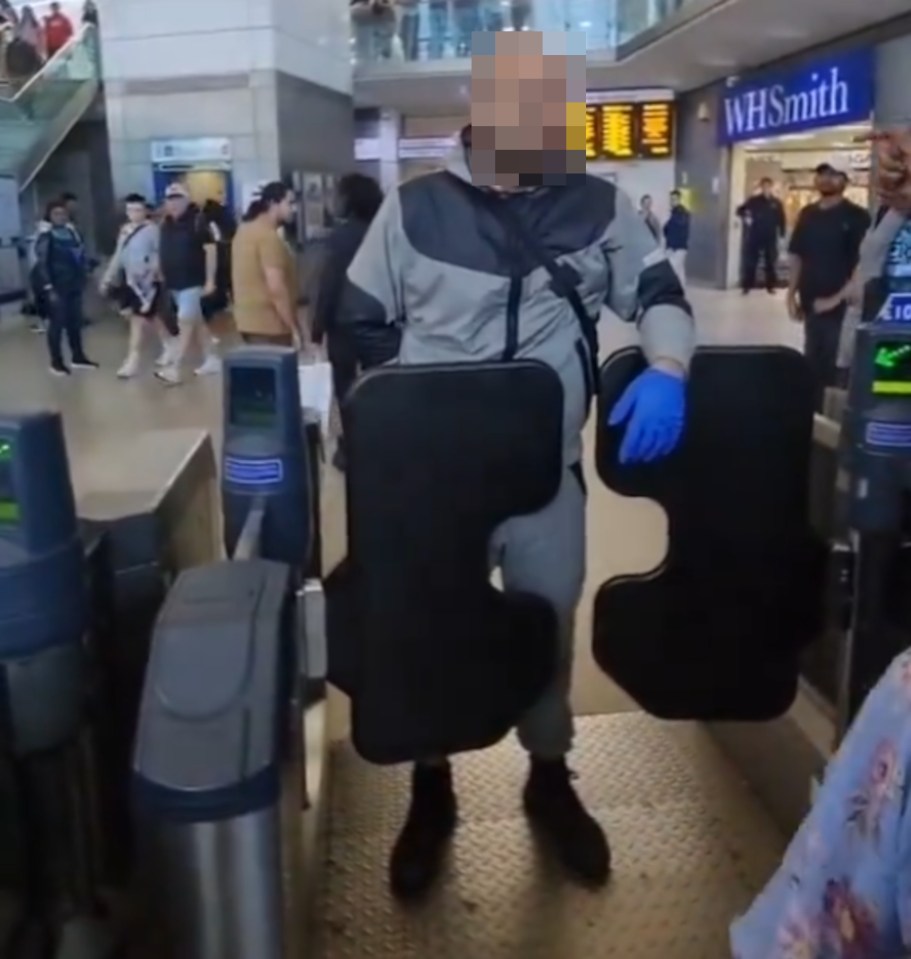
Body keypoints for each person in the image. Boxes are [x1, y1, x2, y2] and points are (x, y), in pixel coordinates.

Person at [342, 29, 695, 901]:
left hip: (545, 474)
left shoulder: (595, 204)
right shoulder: (413, 209)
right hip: (434, 481)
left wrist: (667, 369)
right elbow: (357, 321)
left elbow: (655, 294)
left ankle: (548, 774)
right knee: (433, 623)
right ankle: (431, 784)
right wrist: (393, 416)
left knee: (546, 620)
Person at [312, 172, 384, 472]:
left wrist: (316, 329)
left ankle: (352, 447)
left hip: (343, 326)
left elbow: (328, 285)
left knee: (345, 388)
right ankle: (380, 441)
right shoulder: (383, 230)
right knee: (378, 385)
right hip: (381, 323)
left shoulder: (341, 237)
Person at [787, 162, 871, 411]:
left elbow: (862, 265)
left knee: (836, 366)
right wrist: (791, 294)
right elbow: (797, 255)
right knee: (812, 361)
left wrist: (834, 299)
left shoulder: (857, 217)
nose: (826, 179)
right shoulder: (808, 214)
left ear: (845, 180)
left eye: (834, 175)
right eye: (822, 174)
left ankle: (832, 420)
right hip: (812, 304)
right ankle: (812, 417)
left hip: (841, 308)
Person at [99, 193, 179, 379]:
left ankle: (132, 360)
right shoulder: (125, 231)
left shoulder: (152, 230)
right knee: (151, 317)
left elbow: (159, 254)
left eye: (137, 210)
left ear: (145, 211)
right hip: (131, 282)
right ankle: (169, 344)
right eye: (130, 210)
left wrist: (153, 271)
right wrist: (108, 277)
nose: (133, 213)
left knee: (139, 320)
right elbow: (119, 255)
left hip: (149, 284)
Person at [155, 182, 221, 384]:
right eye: (170, 200)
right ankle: (212, 358)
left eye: (178, 199)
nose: (174, 204)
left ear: (186, 200)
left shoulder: (199, 221)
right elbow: (162, 248)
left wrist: (210, 280)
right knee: (196, 321)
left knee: (185, 320)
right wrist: (160, 269)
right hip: (174, 282)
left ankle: (175, 367)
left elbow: (211, 251)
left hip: (193, 281)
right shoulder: (165, 224)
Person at [231, 181, 302, 348]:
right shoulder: (268, 238)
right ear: (272, 204)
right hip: (271, 325)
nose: (294, 209)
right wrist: (293, 327)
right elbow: (276, 287)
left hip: (247, 322)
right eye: (289, 203)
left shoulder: (243, 232)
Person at [33, 199, 97, 376]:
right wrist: (48, 287)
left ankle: (78, 357)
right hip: (57, 286)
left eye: (63, 213)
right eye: (56, 214)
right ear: (50, 216)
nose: (60, 217)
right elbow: (42, 264)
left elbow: (80, 255)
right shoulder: (47, 237)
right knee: (57, 324)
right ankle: (56, 362)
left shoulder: (73, 233)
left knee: (74, 323)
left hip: (75, 284)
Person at [738, 177, 786, 295]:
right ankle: (747, 286)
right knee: (751, 261)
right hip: (755, 234)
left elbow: (781, 219)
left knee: (770, 261)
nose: (766, 189)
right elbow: (740, 210)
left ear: (771, 187)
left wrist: (782, 234)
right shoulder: (754, 201)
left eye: (768, 186)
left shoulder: (776, 203)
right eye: (764, 186)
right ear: (761, 187)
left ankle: (770, 286)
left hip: (770, 235)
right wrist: (747, 218)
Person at [663, 189, 690, 287]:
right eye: (671, 199)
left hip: (677, 247)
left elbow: (673, 229)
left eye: (674, 199)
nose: (672, 202)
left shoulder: (681, 213)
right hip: (676, 247)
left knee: (672, 270)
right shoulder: (675, 213)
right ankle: (681, 291)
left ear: (679, 199)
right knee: (679, 271)